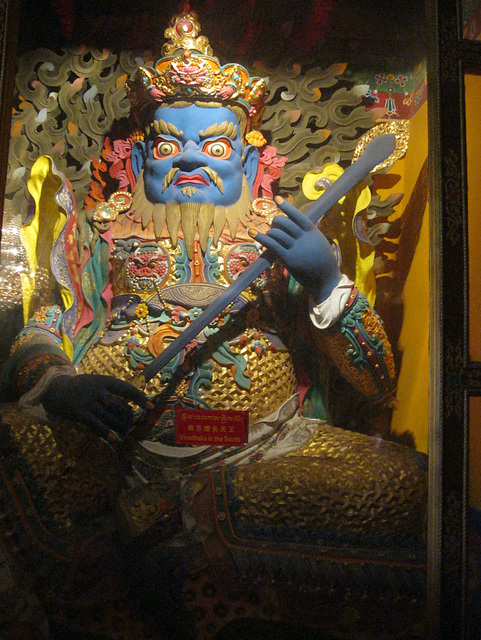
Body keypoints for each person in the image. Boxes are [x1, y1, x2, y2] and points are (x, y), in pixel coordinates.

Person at [0, 8, 426, 638]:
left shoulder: (284, 237)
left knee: (402, 490)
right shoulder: (100, 233)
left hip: (261, 450)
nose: (191, 161)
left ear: (248, 160)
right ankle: (167, 539)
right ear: (140, 154)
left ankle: (176, 526)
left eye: (215, 146)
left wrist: (325, 281)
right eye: (170, 146)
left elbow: (375, 383)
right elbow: (54, 319)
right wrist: (57, 383)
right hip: (118, 448)